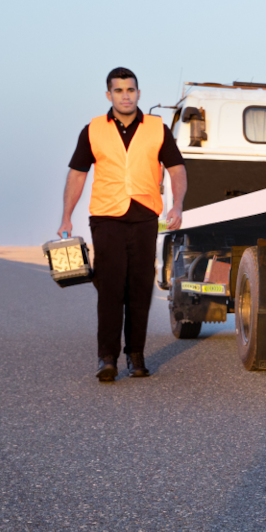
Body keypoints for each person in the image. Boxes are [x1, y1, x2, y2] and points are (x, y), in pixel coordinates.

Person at [60, 67, 187, 382]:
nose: (125, 95)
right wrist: (66, 215)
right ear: (109, 95)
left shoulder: (157, 128)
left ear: (139, 93)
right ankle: (107, 359)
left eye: (130, 90)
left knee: (140, 288)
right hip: (106, 218)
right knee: (111, 288)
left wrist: (178, 205)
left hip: (144, 217)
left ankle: (136, 356)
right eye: (118, 91)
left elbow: (177, 168)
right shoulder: (93, 130)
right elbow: (78, 173)